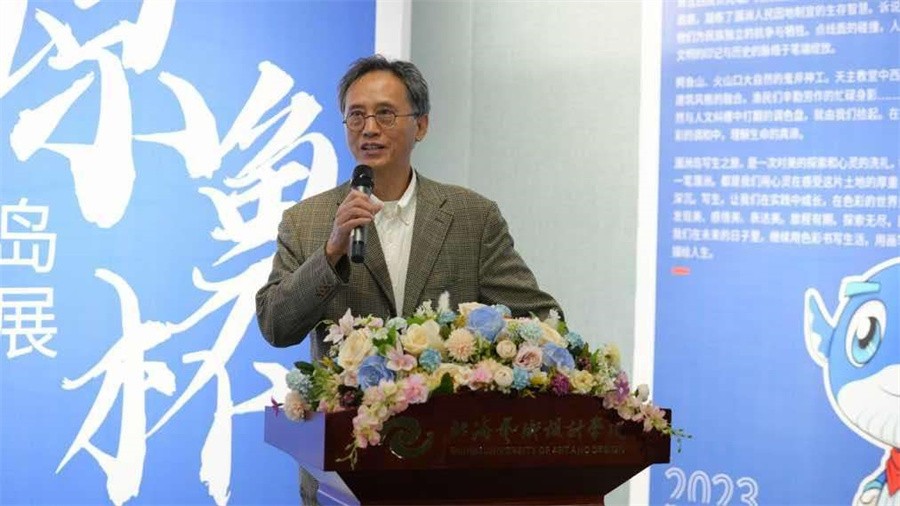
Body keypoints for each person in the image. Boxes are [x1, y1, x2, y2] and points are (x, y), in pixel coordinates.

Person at [255, 54, 561, 505]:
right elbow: (275, 326)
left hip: (450, 470)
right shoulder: (307, 221)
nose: (369, 129)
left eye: (385, 114)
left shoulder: (472, 217)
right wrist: (331, 251)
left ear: (421, 125)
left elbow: (542, 318)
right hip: (345, 475)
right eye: (356, 116)